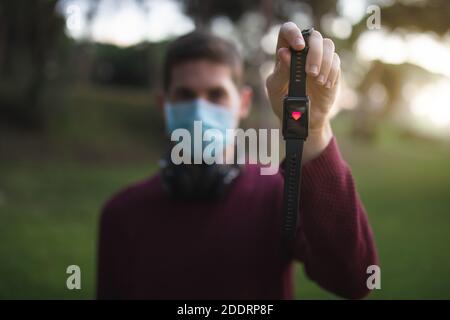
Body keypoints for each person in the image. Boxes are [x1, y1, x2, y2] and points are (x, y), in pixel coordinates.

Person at [96, 22, 378, 299]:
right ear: (163, 105)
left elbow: (353, 278)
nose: (199, 109)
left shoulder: (279, 194)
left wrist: (312, 128)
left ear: (243, 103)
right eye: (185, 95)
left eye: (216, 94)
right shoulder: (121, 215)